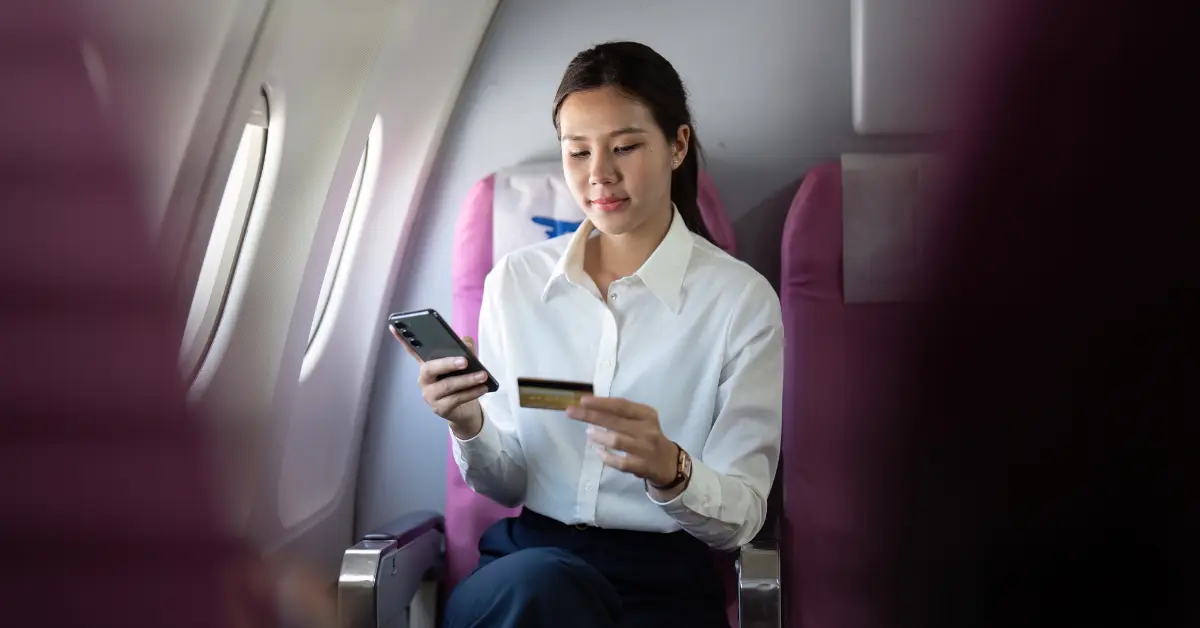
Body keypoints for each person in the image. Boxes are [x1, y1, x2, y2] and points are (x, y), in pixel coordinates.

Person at [397, 41, 783, 627]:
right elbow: (506, 485)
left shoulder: (740, 303)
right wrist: (467, 422)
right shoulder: (517, 283)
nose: (599, 174)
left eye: (624, 147)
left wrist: (670, 468)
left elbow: (744, 518)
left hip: (659, 586)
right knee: (543, 588)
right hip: (524, 567)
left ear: (677, 145)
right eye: (577, 152)